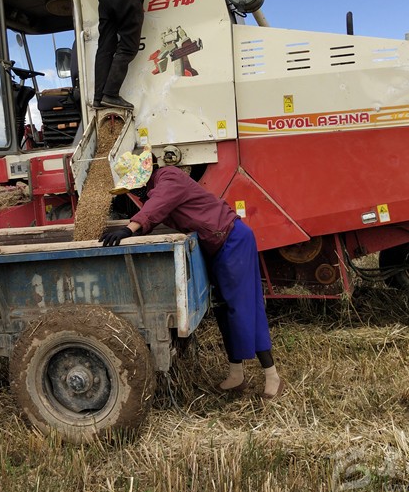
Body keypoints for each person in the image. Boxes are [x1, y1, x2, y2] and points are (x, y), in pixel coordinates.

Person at [100, 147, 285, 399]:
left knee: (243, 306)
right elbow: (156, 211)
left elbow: (156, 206)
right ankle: (236, 374)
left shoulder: (169, 177)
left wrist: (129, 229)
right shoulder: (156, 188)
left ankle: (272, 376)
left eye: (134, 187)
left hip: (233, 240)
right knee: (223, 308)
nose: (134, 193)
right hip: (216, 246)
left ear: (145, 176)